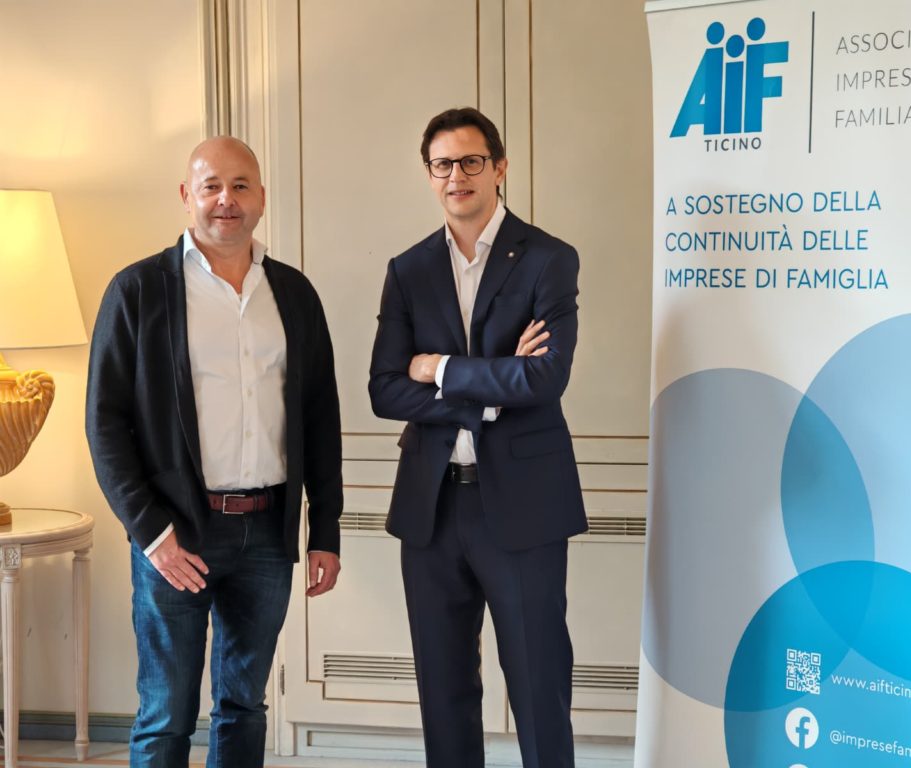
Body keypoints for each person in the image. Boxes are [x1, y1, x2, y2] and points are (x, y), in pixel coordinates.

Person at [86, 136, 342, 768]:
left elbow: (320, 417)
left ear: (261, 198)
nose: (226, 199)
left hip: (268, 531)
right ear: (186, 196)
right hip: (174, 534)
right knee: (165, 714)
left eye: (241, 185)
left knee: (244, 706)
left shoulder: (294, 295)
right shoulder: (137, 290)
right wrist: (151, 533)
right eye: (211, 186)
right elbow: (104, 425)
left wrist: (325, 530)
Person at [369, 107, 587, 768]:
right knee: (444, 694)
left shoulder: (548, 259)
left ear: (499, 168)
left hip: (523, 507)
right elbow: (384, 390)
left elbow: (545, 378)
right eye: (442, 164)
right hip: (432, 509)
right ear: (429, 174)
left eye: (470, 161)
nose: (456, 176)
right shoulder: (408, 270)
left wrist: (439, 369)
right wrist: (490, 394)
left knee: (538, 688)